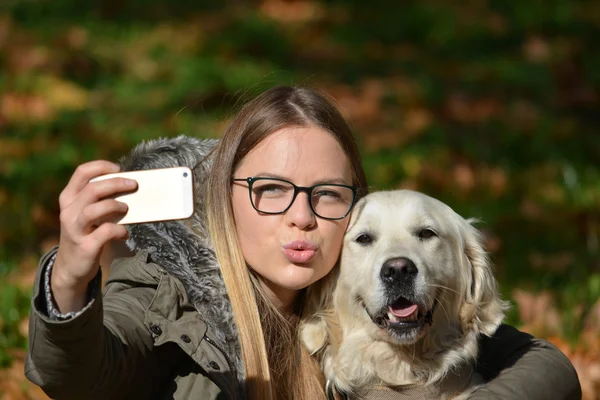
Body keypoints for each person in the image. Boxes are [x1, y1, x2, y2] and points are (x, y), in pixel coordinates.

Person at [25, 86, 581, 400]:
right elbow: (77, 375)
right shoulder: (163, 294)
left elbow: (545, 365)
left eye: (328, 194)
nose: (302, 218)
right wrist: (71, 278)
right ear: (224, 197)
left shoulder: (345, 304)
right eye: (271, 190)